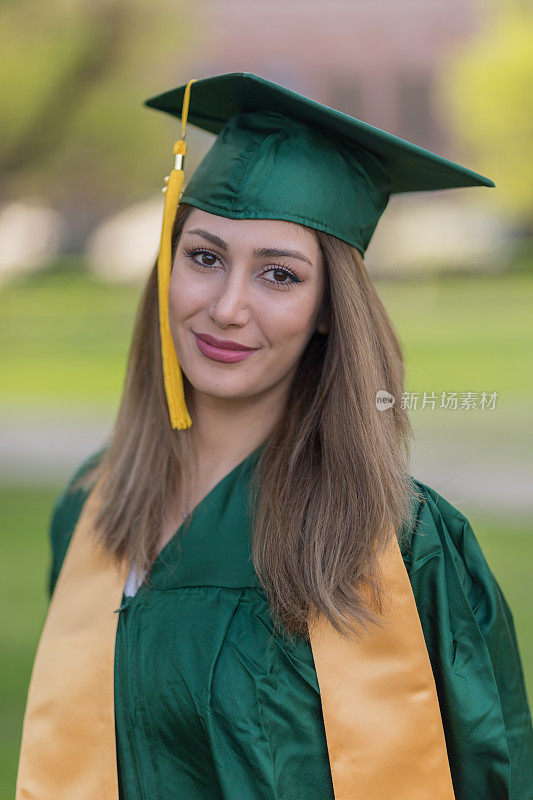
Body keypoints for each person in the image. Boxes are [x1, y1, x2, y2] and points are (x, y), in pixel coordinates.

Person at [16, 73, 533, 800]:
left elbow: (493, 773)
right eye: (203, 257)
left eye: (279, 275)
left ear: (329, 309)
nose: (227, 307)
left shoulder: (401, 542)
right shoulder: (93, 511)